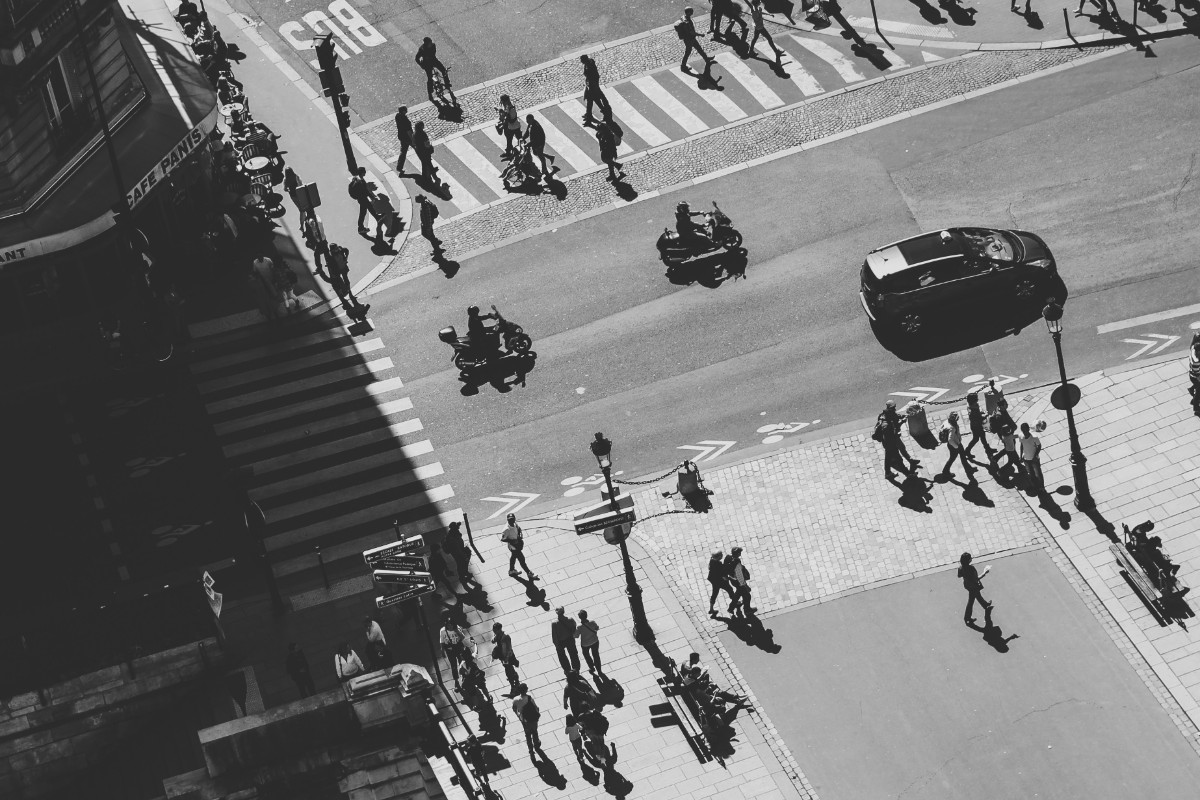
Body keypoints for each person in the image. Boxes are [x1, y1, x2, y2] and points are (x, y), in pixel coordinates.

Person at [877, 400, 919, 479]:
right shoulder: (889, 422)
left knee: (888, 457)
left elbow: (896, 416)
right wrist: (902, 422)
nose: (895, 409)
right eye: (893, 407)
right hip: (891, 442)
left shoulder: (883, 415)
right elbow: (894, 428)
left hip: (886, 441)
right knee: (898, 459)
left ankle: (888, 473)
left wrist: (902, 417)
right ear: (890, 408)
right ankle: (908, 474)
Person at [939, 411, 976, 483]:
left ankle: (968, 468)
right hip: (955, 445)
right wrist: (956, 447)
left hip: (957, 443)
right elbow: (950, 440)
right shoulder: (952, 428)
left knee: (962, 456)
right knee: (952, 458)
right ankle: (945, 471)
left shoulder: (946, 422)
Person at [675, 7, 713, 73]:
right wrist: (700, 34)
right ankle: (683, 66)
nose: (692, 12)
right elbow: (692, 32)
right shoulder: (687, 22)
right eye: (691, 11)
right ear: (688, 12)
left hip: (690, 38)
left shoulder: (683, 17)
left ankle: (706, 59)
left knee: (699, 49)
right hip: (689, 39)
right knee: (688, 52)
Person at [501, 512, 538, 579]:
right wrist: (512, 541)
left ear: (514, 519)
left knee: (513, 557)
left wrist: (520, 534)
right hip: (513, 547)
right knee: (522, 559)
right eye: (510, 519)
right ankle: (529, 573)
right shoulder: (506, 529)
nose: (511, 521)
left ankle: (511, 571)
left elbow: (519, 528)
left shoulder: (515, 523)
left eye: (512, 519)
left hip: (518, 544)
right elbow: (503, 539)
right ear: (507, 520)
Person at [439, 615, 472, 688]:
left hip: (458, 647)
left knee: (462, 663)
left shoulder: (457, 628)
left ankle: (464, 676)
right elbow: (442, 640)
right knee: (453, 666)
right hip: (450, 650)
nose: (450, 627)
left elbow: (463, 637)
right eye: (448, 625)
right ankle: (456, 681)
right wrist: (442, 650)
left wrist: (456, 630)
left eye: (451, 625)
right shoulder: (443, 631)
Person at [958, 552, 992, 623]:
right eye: (970, 558)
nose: (971, 559)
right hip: (973, 586)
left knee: (977, 595)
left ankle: (985, 605)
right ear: (968, 560)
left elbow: (959, 575)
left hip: (967, 585)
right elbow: (976, 578)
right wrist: (984, 572)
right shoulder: (971, 568)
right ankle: (967, 617)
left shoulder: (961, 568)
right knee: (971, 601)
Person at [415, 36, 450, 103]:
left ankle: (447, 84)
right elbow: (417, 58)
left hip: (433, 60)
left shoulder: (433, 45)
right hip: (427, 64)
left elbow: (433, 55)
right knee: (430, 78)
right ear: (426, 43)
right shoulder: (422, 49)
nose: (431, 43)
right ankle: (430, 93)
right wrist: (422, 65)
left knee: (443, 70)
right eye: (430, 43)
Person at [963, 391, 994, 464]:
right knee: (977, 438)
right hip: (976, 426)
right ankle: (967, 451)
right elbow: (979, 418)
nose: (977, 399)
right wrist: (986, 415)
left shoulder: (972, 406)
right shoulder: (973, 410)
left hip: (975, 425)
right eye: (976, 399)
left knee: (982, 437)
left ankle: (987, 449)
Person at [580, 54, 611, 125]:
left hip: (592, 88)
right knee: (591, 103)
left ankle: (592, 117)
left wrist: (591, 87)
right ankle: (589, 116)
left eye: (582, 60)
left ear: (584, 60)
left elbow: (591, 77)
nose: (581, 62)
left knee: (596, 102)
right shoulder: (589, 64)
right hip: (591, 87)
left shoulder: (589, 67)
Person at [491, 621, 521, 691]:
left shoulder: (506, 637)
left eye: (495, 630)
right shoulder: (497, 636)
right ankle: (515, 679)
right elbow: (492, 641)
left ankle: (513, 685)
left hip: (508, 657)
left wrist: (506, 658)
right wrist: (495, 637)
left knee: (508, 671)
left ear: (499, 629)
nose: (494, 632)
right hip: (502, 657)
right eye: (493, 630)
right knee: (509, 669)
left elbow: (509, 648)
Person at [523, 115, 554, 179]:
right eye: (526, 120)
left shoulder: (535, 127)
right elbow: (527, 132)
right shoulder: (530, 124)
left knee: (540, 156)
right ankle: (550, 157)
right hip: (535, 142)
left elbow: (535, 139)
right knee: (535, 153)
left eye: (528, 120)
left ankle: (544, 169)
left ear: (531, 119)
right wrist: (522, 138)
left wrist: (528, 144)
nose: (526, 121)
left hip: (539, 142)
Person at [348, 168, 379, 233]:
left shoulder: (356, 179)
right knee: (363, 212)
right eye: (364, 172)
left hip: (360, 198)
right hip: (362, 198)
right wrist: (372, 197)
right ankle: (361, 228)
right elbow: (365, 191)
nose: (365, 173)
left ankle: (377, 218)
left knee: (368, 208)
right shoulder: (361, 181)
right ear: (362, 173)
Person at [725, 547, 754, 616]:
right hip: (738, 582)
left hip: (732, 580)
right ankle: (747, 610)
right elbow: (740, 577)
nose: (740, 554)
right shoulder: (737, 563)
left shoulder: (728, 558)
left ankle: (731, 608)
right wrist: (746, 586)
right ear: (737, 554)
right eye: (739, 553)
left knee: (738, 593)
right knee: (747, 596)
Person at [552, 606, 581, 674]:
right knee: (573, 654)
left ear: (557, 613)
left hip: (560, 641)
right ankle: (576, 668)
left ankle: (567, 669)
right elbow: (574, 628)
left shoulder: (554, 623)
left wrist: (556, 644)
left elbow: (554, 635)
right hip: (570, 639)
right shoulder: (570, 619)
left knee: (562, 656)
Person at [512, 684, 541, 750]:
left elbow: (514, 709)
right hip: (533, 719)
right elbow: (536, 707)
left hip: (524, 720)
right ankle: (536, 744)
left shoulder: (515, 700)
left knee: (527, 734)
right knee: (534, 732)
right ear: (526, 690)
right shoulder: (529, 698)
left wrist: (519, 715)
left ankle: (530, 750)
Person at [707, 550, 735, 617]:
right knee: (730, 589)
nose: (722, 555)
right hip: (720, 581)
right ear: (719, 557)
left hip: (713, 579)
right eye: (721, 554)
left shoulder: (712, 559)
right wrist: (730, 578)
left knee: (714, 593)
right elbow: (723, 576)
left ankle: (711, 609)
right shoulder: (719, 565)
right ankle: (735, 602)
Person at [1019, 422, 1043, 492]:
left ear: (1028, 429)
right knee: (1031, 474)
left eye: (1025, 430)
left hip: (1034, 459)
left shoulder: (1034, 437)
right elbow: (1021, 446)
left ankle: (1041, 487)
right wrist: (1020, 456)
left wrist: (1035, 455)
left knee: (1038, 474)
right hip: (1026, 459)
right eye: (1023, 431)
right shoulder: (1021, 436)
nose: (1024, 432)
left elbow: (1039, 446)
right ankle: (1035, 486)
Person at [577, 610, 602, 675]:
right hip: (594, 641)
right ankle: (599, 670)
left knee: (586, 655)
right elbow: (597, 628)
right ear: (586, 615)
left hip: (585, 644)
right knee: (596, 655)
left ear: (579, 617)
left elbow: (576, 636)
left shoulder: (579, 627)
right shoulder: (592, 622)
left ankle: (591, 667)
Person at [496, 94, 521, 159]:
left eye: (502, 102)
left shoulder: (511, 108)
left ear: (506, 101)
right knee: (509, 140)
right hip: (509, 127)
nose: (502, 103)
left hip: (515, 127)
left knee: (520, 139)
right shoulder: (507, 106)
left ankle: (523, 150)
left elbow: (512, 120)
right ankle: (508, 152)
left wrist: (505, 116)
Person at [394, 105, 413, 173]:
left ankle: (399, 167)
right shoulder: (405, 120)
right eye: (405, 109)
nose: (407, 110)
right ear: (403, 111)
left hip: (401, 136)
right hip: (407, 138)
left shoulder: (397, 116)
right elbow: (408, 131)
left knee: (403, 152)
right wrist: (413, 139)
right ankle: (428, 165)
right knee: (419, 150)